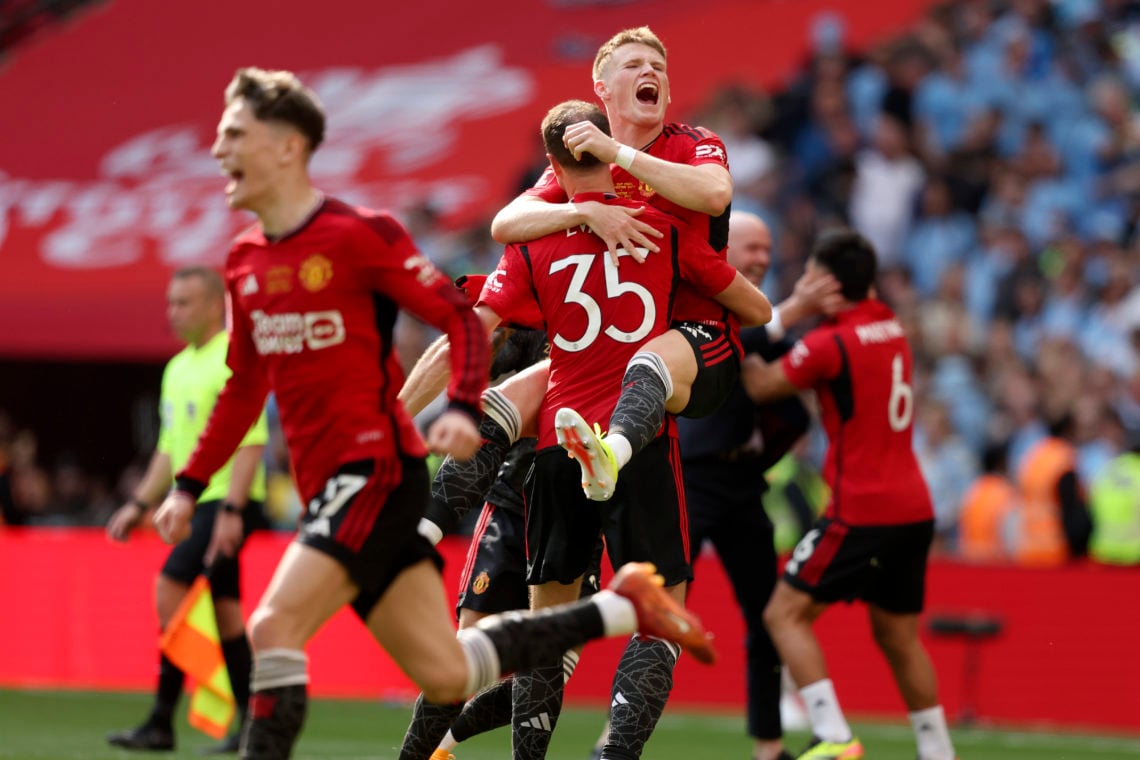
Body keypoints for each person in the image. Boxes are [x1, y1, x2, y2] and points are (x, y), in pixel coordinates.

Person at [150, 68, 715, 760]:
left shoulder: (359, 236)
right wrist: (186, 483)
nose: (217, 149)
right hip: (331, 480)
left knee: (272, 629)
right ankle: (622, 607)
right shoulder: (242, 262)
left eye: (233, 133)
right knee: (448, 670)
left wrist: (456, 406)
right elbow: (242, 387)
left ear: (287, 147)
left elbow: (461, 318)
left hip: (372, 473)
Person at [741, 229, 958, 760]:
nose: (802, 279)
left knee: (782, 615)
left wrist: (738, 341)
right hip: (914, 509)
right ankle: (938, 752)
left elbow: (760, 387)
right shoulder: (892, 325)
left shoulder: (828, 345)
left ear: (828, 282)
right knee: (898, 637)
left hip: (861, 508)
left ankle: (833, 735)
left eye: (810, 272)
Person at [674, 211, 840, 760]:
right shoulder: (703, 298)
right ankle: (616, 738)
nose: (763, 258)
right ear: (725, 251)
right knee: (666, 609)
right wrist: (795, 308)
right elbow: (742, 344)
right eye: (752, 247)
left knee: (768, 615)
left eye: (768, 248)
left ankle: (768, 747)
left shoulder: (757, 311)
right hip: (693, 478)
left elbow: (775, 372)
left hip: (741, 483)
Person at [105, 266, 269, 754]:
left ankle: (163, 719)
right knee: (226, 615)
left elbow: (251, 441)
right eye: (170, 302)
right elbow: (167, 449)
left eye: (184, 302)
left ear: (215, 304)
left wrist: (233, 510)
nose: (173, 312)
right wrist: (139, 502)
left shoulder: (233, 359)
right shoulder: (176, 369)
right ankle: (250, 723)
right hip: (195, 500)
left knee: (169, 588)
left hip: (223, 502)